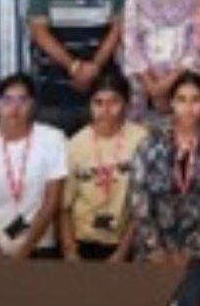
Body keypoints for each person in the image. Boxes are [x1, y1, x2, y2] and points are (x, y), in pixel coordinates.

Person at [130, 72, 200, 306]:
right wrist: (156, 249)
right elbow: (138, 200)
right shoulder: (149, 143)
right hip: (154, 246)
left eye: (195, 100)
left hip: (199, 249)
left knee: (185, 301)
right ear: (172, 103)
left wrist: (187, 253)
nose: (189, 108)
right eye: (182, 100)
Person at [28, 0, 125, 135]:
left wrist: (93, 68)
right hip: (53, 90)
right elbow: (39, 32)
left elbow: (118, 29)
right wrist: (73, 67)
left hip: (102, 92)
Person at [0, 73, 67, 258]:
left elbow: (51, 202)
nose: (15, 108)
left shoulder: (53, 139)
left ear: (33, 106)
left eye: (23, 100)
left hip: (38, 246)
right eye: (8, 100)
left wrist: (24, 251)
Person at [60, 74, 147, 262]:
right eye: (98, 103)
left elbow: (143, 206)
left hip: (127, 242)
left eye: (114, 102)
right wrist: (70, 250)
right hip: (82, 240)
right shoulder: (75, 145)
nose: (105, 110)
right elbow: (64, 207)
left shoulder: (142, 140)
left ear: (127, 104)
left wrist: (122, 253)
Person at [122, 0, 200, 123]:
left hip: (184, 73)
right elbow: (130, 39)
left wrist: (171, 80)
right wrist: (151, 84)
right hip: (144, 77)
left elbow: (197, 37)